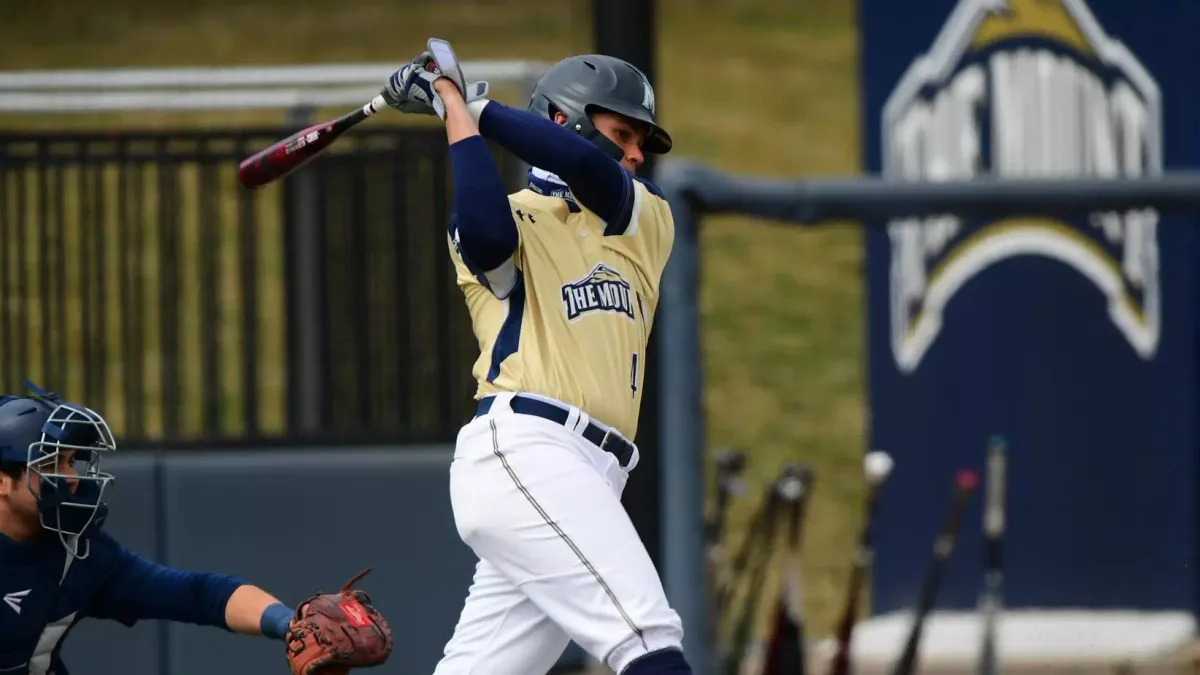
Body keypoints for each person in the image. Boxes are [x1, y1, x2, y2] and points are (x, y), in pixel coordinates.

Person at [383, 47, 690, 675]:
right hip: (528, 448)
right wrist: (454, 111)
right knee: (648, 634)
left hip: (593, 476)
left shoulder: (644, 216)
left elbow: (583, 164)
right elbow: (489, 237)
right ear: (560, 116)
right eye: (622, 133)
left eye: (641, 142)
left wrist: (466, 103)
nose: (636, 153)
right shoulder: (510, 216)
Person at [0, 381, 342, 675]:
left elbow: (197, 594)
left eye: (71, 461)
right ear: (2, 481)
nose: (71, 478)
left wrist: (290, 625)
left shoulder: (80, 555)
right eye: (49, 463)